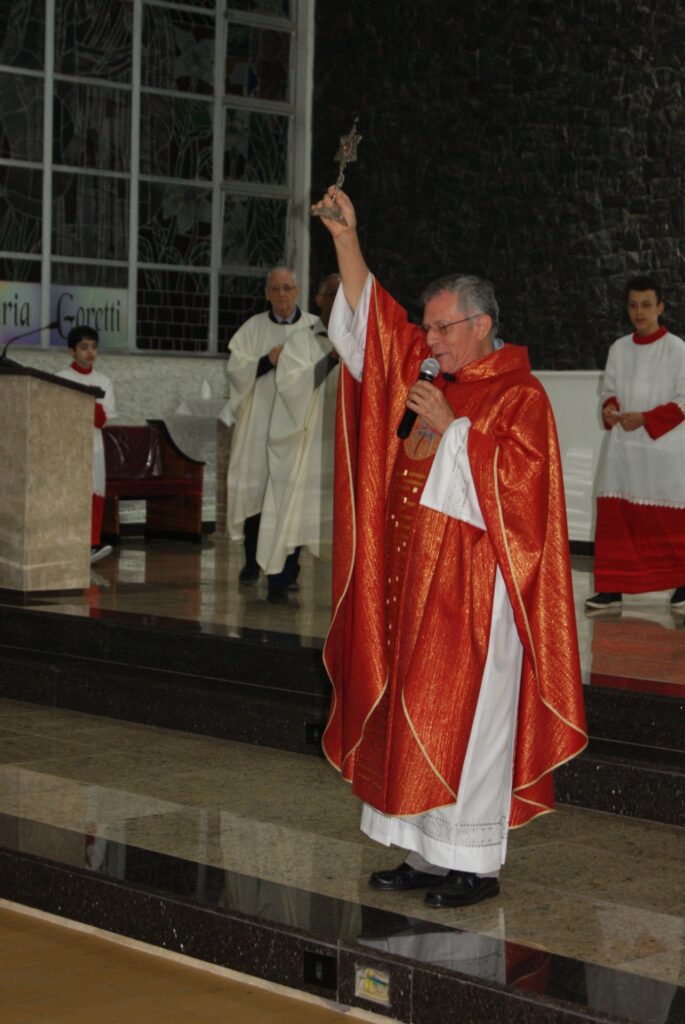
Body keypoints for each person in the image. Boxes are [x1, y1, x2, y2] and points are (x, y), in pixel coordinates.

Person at [312, 187, 587, 908]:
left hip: (477, 594)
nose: (428, 342)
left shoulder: (518, 396)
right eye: (429, 330)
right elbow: (376, 328)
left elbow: (527, 495)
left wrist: (457, 432)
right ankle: (421, 849)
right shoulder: (431, 376)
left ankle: (471, 859)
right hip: (414, 583)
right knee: (413, 709)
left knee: (471, 722)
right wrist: (346, 240)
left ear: (481, 322)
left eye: (441, 329)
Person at [586, 275, 685, 614]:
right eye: (632, 305)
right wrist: (610, 409)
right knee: (617, 517)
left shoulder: (678, 350)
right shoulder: (619, 348)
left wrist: (646, 418)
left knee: (669, 522)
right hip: (623, 451)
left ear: (660, 307)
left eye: (646, 305)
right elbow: (609, 390)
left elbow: (684, 400)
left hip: (664, 451)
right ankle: (612, 589)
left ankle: (683, 585)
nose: (639, 312)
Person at [226, 267, 318, 584]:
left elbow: (323, 373)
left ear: (297, 291)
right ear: (267, 293)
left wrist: (295, 369)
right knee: (256, 491)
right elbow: (236, 370)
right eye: (275, 288)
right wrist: (266, 361)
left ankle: (289, 570)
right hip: (260, 425)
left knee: (291, 497)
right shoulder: (253, 328)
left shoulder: (314, 328)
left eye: (287, 288)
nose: (281, 294)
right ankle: (252, 562)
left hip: (297, 428)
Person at [257, 274, 341, 604]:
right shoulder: (299, 342)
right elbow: (292, 389)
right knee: (290, 510)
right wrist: (331, 359)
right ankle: (281, 574)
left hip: (337, 446)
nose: (338, 300)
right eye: (331, 293)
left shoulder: (360, 344)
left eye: (345, 294)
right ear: (318, 299)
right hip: (301, 444)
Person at [57, 325, 115, 564]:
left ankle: (92, 543)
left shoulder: (103, 380)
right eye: (83, 347)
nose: (89, 352)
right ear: (72, 351)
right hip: (69, 445)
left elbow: (102, 419)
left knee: (94, 492)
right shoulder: (61, 378)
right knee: (70, 493)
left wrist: (90, 401)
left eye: (93, 347)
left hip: (94, 445)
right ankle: (66, 543)